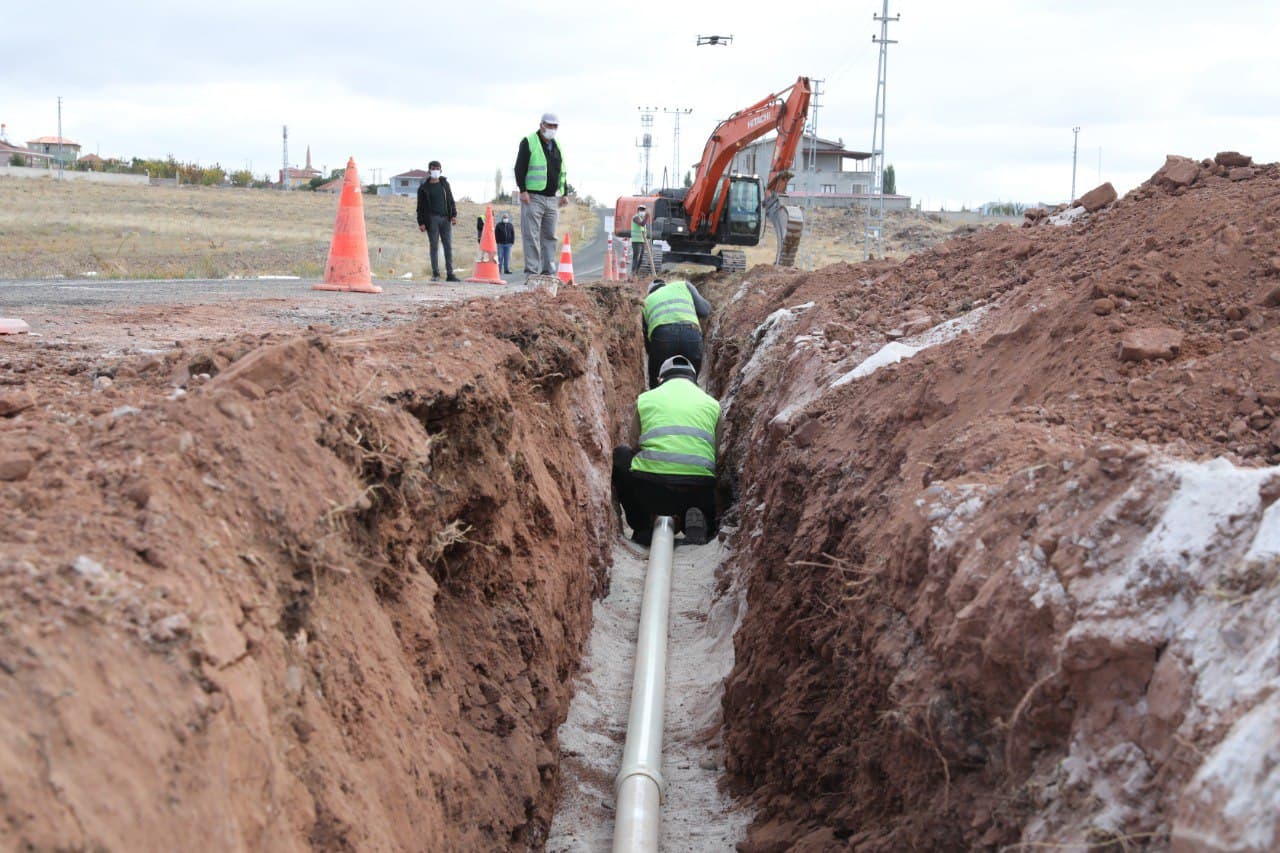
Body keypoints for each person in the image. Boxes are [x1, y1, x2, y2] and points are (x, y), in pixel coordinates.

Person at [612, 355, 719, 547]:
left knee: (621, 455)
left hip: (652, 491)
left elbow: (633, 444)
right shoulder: (712, 404)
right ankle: (700, 518)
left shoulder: (646, 399)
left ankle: (643, 525)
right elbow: (715, 452)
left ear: (660, 379)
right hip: (697, 489)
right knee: (712, 471)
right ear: (694, 381)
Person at [514, 113, 567, 276]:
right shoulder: (529, 142)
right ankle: (531, 271)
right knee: (531, 235)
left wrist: (564, 193)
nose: (552, 129)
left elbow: (562, 171)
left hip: (552, 198)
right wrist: (522, 190)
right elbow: (519, 168)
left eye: (554, 126)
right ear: (541, 125)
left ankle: (548, 271)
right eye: (549, 125)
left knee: (550, 236)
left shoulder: (557, 145)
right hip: (533, 197)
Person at [641, 278, 712, 389]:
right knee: (692, 380)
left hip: (662, 338)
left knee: (656, 380)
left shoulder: (646, 301)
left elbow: (648, 345)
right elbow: (705, 311)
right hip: (691, 335)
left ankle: (656, 394)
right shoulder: (683, 285)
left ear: (650, 292)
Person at [415, 160, 460, 282]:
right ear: (429, 171)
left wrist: (454, 215)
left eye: (437, 168)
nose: (435, 170)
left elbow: (451, 200)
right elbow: (420, 207)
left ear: (441, 170)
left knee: (448, 246)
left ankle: (450, 274)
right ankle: (436, 274)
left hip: (446, 219)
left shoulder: (444, 184)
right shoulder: (424, 187)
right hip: (432, 220)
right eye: (433, 168)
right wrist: (421, 222)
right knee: (434, 247)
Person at [631, 204, 650, 276]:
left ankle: (636, 272)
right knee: (636, 257)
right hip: (636, 241)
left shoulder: (642, 219)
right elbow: (642, 224)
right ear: (638, 210)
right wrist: (647, 217)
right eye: (641, 210)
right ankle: (633, 273)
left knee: (641, 258)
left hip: (642, 241)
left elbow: (643, 229)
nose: (642, 211)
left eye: (643, 210)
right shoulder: (635, 218)